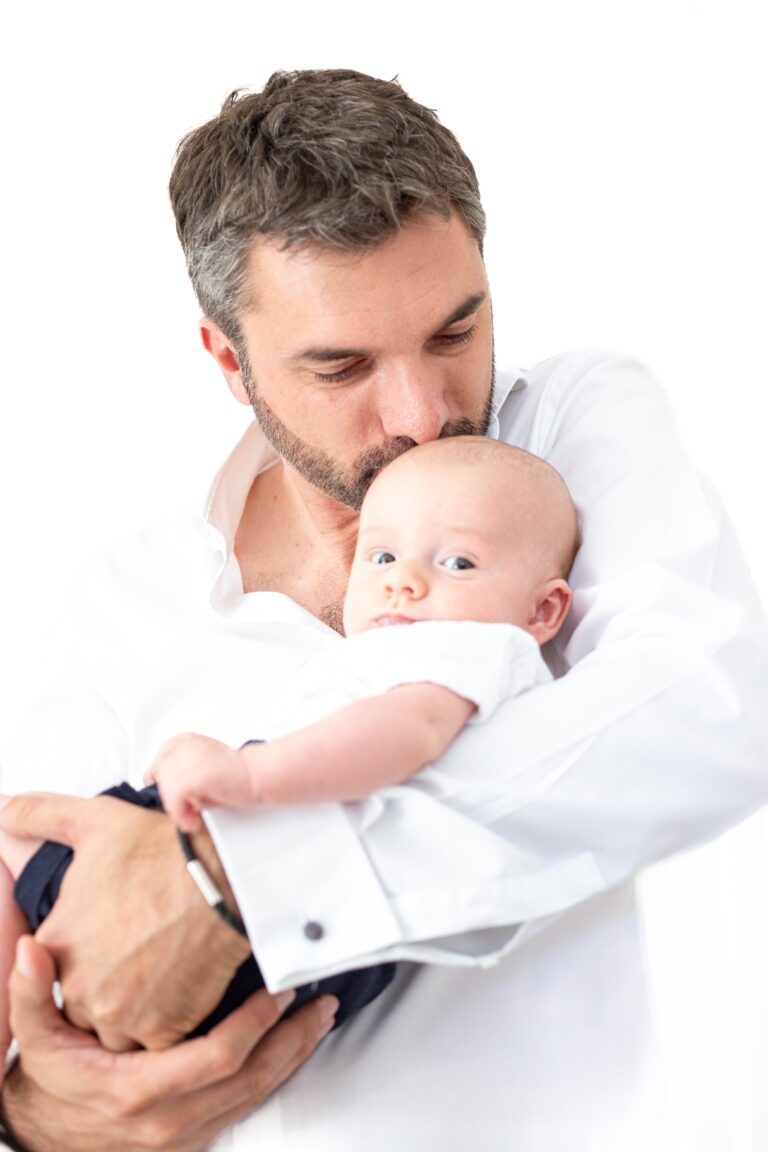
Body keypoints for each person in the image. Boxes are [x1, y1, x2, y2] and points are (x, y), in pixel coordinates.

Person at [0, 68, 767, 1152]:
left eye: (456, 331)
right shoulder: (127, 599)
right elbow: (46, 960)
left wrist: (235, 878)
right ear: (229, 359)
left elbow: (707, 711)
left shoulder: (569, 438)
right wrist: (38, 1115)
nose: (424, 415)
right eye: (342, 365)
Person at [0, 437, 575, 1071]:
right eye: (381, 555)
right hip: (281, 914)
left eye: (459, 564)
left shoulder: (470, 649)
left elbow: (399, 736)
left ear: (542, 609)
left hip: (278, 910)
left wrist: (246, 773)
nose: (404, 582)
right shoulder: (397, 653)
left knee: (16, 839)